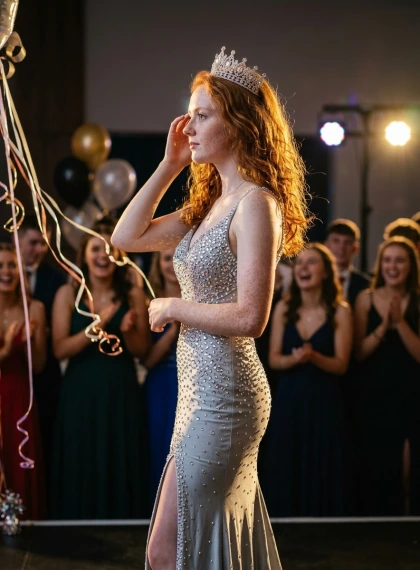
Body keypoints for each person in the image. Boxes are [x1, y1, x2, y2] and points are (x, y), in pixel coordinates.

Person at [111, 46, 309, 569]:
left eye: (202, 116)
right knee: (182, 548)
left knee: (166, 550)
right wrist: (169, 164)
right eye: (189, 115)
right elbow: (125, 237)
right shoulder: (209, 207)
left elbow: (251, 318)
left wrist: (175, 306)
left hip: (227, 396)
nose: (188, 127)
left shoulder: (256, 204)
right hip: (197, 394)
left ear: (239, 123)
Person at [51, 221, 151, 519]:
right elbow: (60, 349)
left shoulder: (133, 295)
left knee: (119, 453)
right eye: (96, 248)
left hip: (119, 388)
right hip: (80, 390)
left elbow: (142, 352)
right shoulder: (67, 294)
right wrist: (98, 326)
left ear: (120, 256)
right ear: (83, 255)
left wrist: (128, 330)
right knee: (82, 454)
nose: (103, 256)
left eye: (110, 249)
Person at [260, 243, 352, 516]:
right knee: (287, 460)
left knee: (321, 461)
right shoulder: (283, 308)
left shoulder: (340, 311)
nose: (303, 268)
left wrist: (314, 357)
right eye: (300, 263)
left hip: (324, 399)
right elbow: (274, 359)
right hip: (289, 397)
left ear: (326, 273)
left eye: (312, 263)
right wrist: (295, 359)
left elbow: (341, 365)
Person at [354, 236, 420, 515]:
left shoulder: (417, 300)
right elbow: (359, 353)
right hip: (375, 393)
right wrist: (383, 327)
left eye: (400, 260)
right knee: (380, 465)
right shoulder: (365, 299)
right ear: (381, 265)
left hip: (413, 392)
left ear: (411, 265)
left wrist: (400, 323)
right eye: (388, 260)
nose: (393, 267)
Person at [18, 214, 67, 504]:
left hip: (45, 372)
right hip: (12, 372)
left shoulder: (56, 279)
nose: (39, 249)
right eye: (33, 243)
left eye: (44, 243)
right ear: (19, 240)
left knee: (45, 438)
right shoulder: (6, 272)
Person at [0, 242, 47, 519]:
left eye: (11, 265)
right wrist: (6, 350)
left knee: (19, 460)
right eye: (0, 265)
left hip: (20, 398)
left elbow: (39, 365)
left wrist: (33, 340)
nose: (6, 271)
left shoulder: (35, 308)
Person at [144, 249, 181, 499]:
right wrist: (173, 330)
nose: (173, 264)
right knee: (161, 447)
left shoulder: (201, 298)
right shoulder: (150, 301)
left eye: (178, 257)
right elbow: (147, 360)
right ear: (158, 264)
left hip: (195, 383)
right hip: (162, 385)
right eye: (167, 258)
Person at [324, 218, 371, 307]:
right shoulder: (316, 281)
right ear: (326, 246)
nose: (341, 247)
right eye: (336, 241)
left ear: (355, 248)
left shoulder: (367, 285)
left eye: (348, 242)